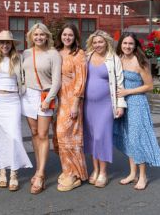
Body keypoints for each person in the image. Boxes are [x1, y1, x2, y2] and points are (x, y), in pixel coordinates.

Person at [113, 33, 160, 190]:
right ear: (120, 44)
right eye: (125, 43)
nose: (127, 46)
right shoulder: (118, 59)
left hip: (137, 103)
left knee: (137, 139)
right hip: (122, 104)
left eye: (130, 44)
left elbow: (149, 86)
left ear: (135, 46)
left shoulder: (140, 61)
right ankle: (132, 173)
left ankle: (143, 176)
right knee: (127, 138)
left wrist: (128, 92)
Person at [0, 30, 32, 191]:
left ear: (12, 44)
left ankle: (14, 173)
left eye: (7, 42)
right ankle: (1, 171)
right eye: (2, 42)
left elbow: (29, 75)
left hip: (13, 101)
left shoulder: (19, 59)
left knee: (14, 136)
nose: (5, 45)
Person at [21, 23, 62, 194]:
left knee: (44, 135)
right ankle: (38, 168)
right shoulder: (26, 53)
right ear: (31, 36)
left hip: (45, 95)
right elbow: (22, 76)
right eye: (35, 34)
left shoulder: (53, 54)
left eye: (42, 35)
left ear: (47, 36)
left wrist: (49, 99)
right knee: (34, 132)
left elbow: (57, 81)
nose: (38, 37)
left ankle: (41, 174)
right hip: (28, 96)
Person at [83, 30, 126, 188]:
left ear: (106, 42)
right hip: (87, 105)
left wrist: (120, 104)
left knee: (102, 136)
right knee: (92, 137)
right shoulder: (87, 57)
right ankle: (95, 170)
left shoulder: (113, 59)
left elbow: (119, 83)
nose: (97, 45)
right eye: (95, 42)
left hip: (106, 105)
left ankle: (103, 172)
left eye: (100, 42)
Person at [53, 23, 87, 191]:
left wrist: (75, 103)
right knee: (60, 138)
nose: (67, 37)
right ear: (60, 35)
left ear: (75, 38)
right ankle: (67, 169)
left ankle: (74, 173)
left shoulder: (79, 54)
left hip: (71, 100)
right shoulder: (57, 53)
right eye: (64, 34)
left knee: (68, 135)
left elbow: (81, 80)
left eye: (70, 35)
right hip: (58, 100)